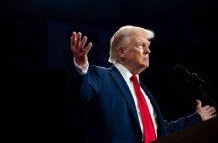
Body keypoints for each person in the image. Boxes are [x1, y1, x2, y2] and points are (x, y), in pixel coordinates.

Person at [67, 25, 217, 143]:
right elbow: (82, 92)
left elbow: (162, 131)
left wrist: (197, 118)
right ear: (122, 52)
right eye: (141, 45)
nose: (148, 51)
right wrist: (81, 68)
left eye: (148, 46)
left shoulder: (144, 93)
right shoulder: (101, 76)